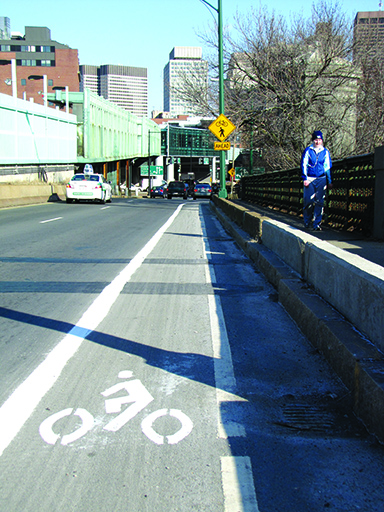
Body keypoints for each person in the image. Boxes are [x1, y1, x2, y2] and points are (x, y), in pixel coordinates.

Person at [300, 130, 332, 231]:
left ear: (321, 140)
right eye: (315, 140)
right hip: (309, 178)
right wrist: (304, 178)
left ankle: (317, 223)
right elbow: (304, 164)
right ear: (313, 140)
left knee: (320, 201)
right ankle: (307, 220)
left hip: (321, 178)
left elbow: (327, 167)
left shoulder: (325, 152)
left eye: (319, 140)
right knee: (308, 201)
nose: (317, 142)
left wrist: (329, 180)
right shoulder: (308, 150)